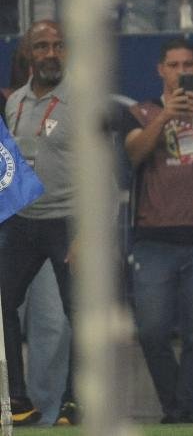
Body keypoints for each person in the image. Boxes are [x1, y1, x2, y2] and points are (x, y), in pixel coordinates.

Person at [121, 38, 193, 424]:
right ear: (161, 70)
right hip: (153, 239)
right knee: (152, 331)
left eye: (188, 65)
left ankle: (183, 414)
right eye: (173, 65)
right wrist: (164, 117)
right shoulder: (140, 112)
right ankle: (176, 406)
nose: (181, 71)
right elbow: (134, 153)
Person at [0, 21, 78, 426]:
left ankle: (75, 401)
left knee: (78, 312)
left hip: (68, 221)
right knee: (2, 304)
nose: (51, 53)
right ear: (28, 54)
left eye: (58, 45)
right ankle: (17, 400)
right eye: (42, 46)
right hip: (23, 221)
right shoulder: (15, 102)